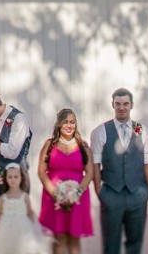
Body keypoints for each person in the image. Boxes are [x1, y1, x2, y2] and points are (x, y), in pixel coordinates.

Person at [90, 88, 148, 254]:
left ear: (132, 105)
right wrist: (99, 191)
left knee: (135, 244)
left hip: (137, 194)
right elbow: (95, 164)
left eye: (125, 104)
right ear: (113, 105)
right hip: (111, 194)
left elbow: (147, 163)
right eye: (118, 104)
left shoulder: (141, 130)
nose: (122, 108)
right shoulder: (101, 131)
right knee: (110, 246)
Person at [38, 108, 94, 254]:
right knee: (59, 238)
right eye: (65, 122)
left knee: (74, 238)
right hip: (53, 197)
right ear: (59, 124)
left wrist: (76, 193)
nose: (69, 125)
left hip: (78, 198)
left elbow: (90, 173)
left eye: (72, 122)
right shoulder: (49, 144)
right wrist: (56, 194)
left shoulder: (83, 146)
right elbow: (41, 171)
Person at [0, 163, 51, 254]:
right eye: (10, 177)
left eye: (16, 177)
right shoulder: (2, 198)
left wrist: (38, 228)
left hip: (23, 227)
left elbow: (30, 213)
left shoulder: (24, 197)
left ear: (21, 178)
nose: (13, 179)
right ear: (6, 179)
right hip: (6, 229)